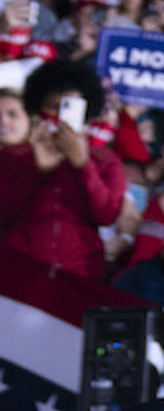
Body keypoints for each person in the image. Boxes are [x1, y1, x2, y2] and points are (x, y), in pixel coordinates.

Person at [0, 60, 127, 277]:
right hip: (18, 270)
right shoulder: (13, 157)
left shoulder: (106, 160)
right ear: (38, 109)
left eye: (69, 107)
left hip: (79, 272)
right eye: (52, 106)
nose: (60, 116)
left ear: (87, 110)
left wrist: (82, 165)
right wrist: (37, 170)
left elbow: (106, 215)